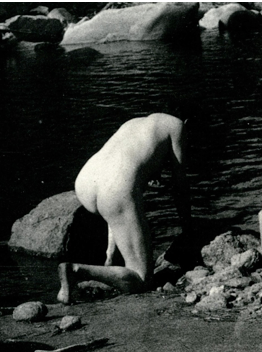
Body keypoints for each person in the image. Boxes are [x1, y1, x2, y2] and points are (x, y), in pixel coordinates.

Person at [57, 113, 192, 303]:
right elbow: (180, 187)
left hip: (86, 181)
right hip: (116, 189)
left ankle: (109, 262)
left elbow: (121, 180)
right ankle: (76, 271)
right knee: (143, 279)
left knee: (118, 208)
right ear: (188, 122)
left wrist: (110, 254)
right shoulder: (177, 125)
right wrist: (188, 228)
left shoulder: (135, 123)